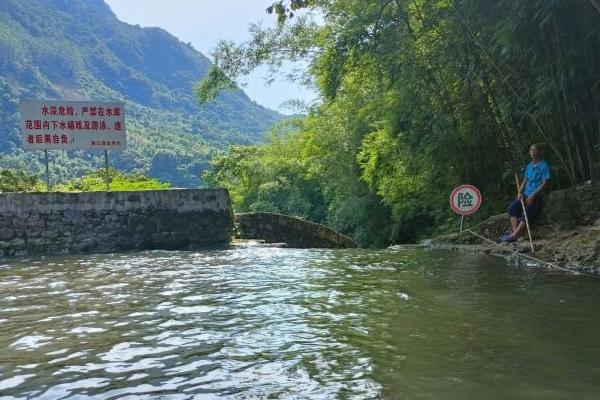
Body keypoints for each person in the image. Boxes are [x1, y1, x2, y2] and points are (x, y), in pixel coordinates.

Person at [500, 144, 551, 242]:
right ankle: (516, 234)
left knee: (527, 214)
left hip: (537, 196)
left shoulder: (544, 165)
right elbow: (525, 181)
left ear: (540, 152)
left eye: (535, 150)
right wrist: (519, 192)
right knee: (512, 209)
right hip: (526, 195)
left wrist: (533, 195)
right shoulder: (529, 166)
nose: (532, 152)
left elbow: (545, 183)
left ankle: (514, 236)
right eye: (531, 150)